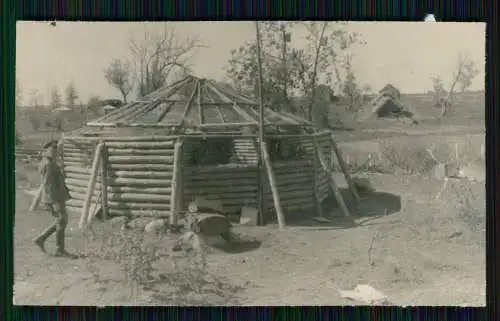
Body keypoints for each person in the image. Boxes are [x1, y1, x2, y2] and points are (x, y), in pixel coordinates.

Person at [33, 140, 77, 258]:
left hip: (56, 195)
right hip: (54, 196)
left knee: (61, 220)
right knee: (62, 219)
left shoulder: (49, 162)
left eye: (55, 150)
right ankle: (59, 249)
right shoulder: (48, 164)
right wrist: (51, 201)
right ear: (45, 151)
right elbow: (48, 184)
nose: (54, 152)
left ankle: (42, 239)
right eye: (52, 150)